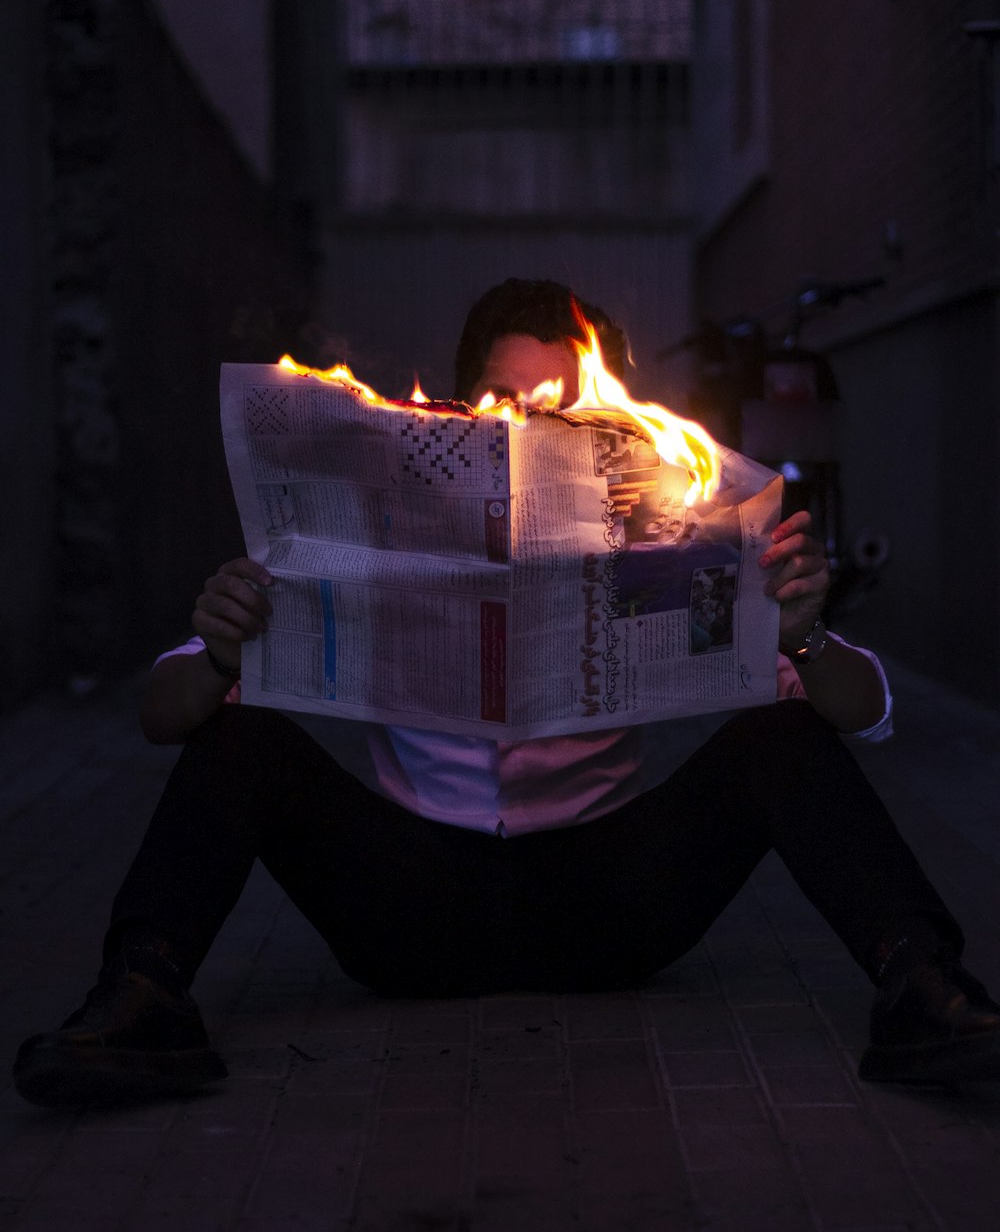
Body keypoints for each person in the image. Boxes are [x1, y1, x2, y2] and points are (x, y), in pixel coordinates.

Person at [14, 278, 1000, 1109]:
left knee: (780, 739)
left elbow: (865, 713)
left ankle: (924, 988)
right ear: (458, 409)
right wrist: (223, 650)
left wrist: (802, 631)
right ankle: (139, 1000)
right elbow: (162, 715)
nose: (525, 423)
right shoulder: (376, 526)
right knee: (239, 744)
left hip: (605, 902)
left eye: (555, 402)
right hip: (407, 908)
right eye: (501, 397)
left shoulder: (662, 530)